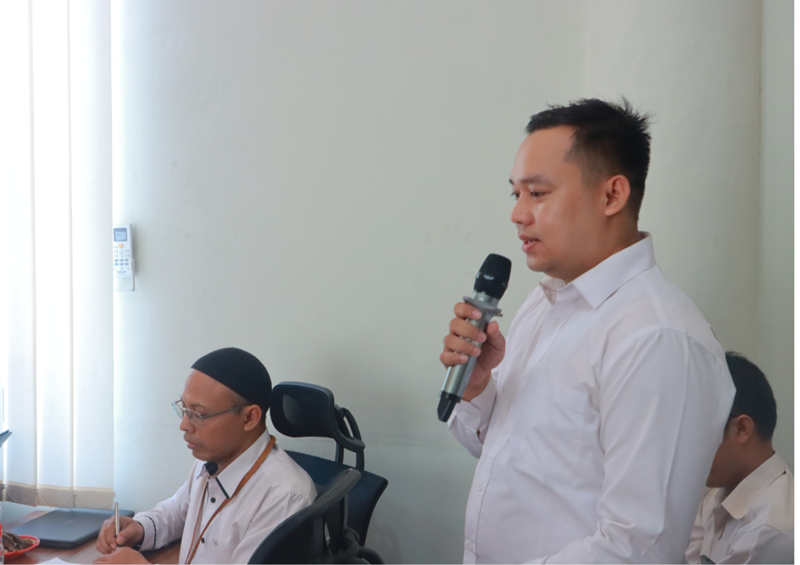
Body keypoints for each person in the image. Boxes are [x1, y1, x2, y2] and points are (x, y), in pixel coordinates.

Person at [440, 98, 736, 563]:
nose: (518, 214)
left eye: (538, 193)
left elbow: (636, 548)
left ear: (612, 196)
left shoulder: (657, 338)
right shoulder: (545, 302)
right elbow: (507, 454)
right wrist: (478, 388)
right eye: (515, 195)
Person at [94, 347, 316, 564]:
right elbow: (178, 510)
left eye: (198, 414)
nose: (184, 425)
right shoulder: (212, 459)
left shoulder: (284, 497)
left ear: (249, 418)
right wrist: (140, 528)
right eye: (184, 409)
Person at [686, 352, 793, 564]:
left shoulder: (769, 529)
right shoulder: (716, 497)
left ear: (741, 428)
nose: (690, 452)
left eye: (697, 434)